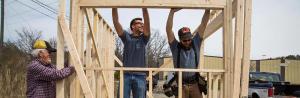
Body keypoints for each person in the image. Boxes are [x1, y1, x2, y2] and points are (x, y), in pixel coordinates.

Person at [165, 9, 210, 98]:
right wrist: (172, 12)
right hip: (181, 84)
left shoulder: (196, 43)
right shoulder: (175, 47)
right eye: (184, 40)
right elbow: (168, 30)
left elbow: (203, 24)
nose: (187, 42)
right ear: (180, 40)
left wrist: (207, 10)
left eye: (189, 39)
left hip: (195, 83)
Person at [112, 8, 151, 98]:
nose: (142, 25)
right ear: (133, 26)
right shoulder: (126, 37)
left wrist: (144, 8)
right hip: (126, 74)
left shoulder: (144, 39)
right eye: (139, 23)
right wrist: (114, 6)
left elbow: (147, 23)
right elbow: (115, 22)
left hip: (140, 75)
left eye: (142, 24)